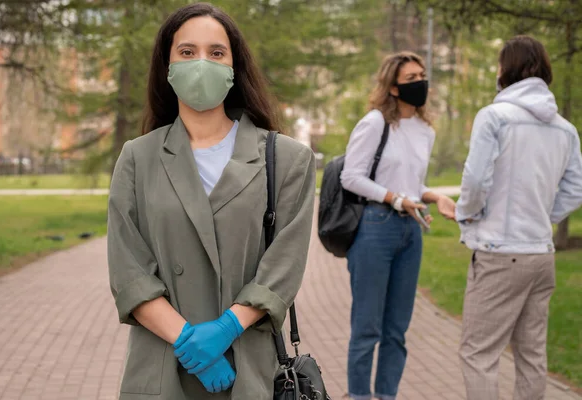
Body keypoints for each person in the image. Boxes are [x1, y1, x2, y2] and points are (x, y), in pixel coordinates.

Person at [107, 3, 316, 399]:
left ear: (233, 67)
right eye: (187, 52)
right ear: (167, 67)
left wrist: (224, 330)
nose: (201, 63)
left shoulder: (288, 158)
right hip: (163, 366)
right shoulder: (137, 157)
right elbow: (127, 270)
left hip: (247, 367)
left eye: (216, 52)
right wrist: (190, 343)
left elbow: (283, 266)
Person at [456, 35, 582, 400]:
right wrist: (543, 214)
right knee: (532, 356)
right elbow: (575, 190)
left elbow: (477, 180)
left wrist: (468, 215)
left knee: (478, 355)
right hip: (541, 255)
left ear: (506, 69)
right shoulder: (565, 129)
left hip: (499, 254)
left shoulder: (494, 117)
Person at [340, 52, 456, 400]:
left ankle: (386, 395)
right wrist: (395, 199)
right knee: (367, 328)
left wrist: (432, 197)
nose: (421, 82)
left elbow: (411, 183)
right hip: (375, 228)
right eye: (411, 78)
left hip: (410, 232)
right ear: (392, 87)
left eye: (422, 75)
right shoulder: (376, 123)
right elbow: (351, 176)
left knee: (397, 330)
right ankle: (360, 396)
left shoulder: (424, 130)